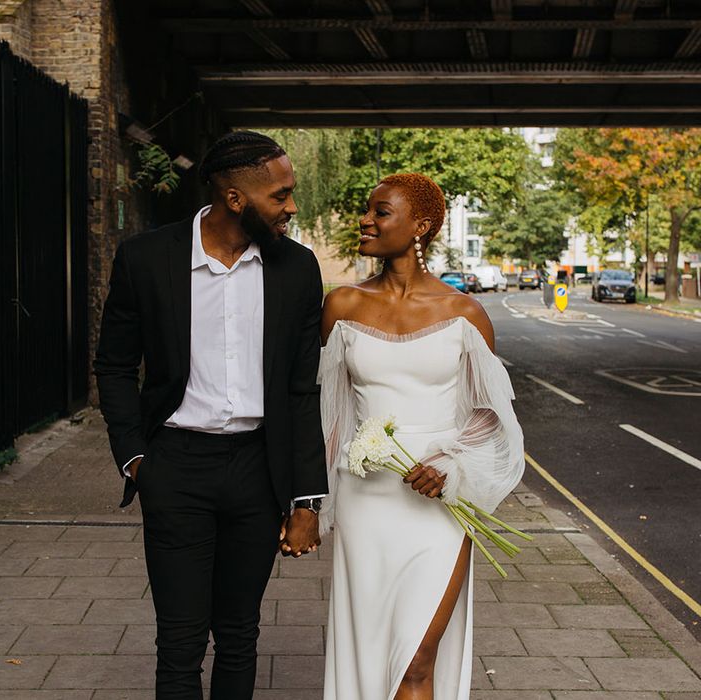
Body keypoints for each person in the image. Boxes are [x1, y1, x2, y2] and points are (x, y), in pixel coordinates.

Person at [94, 131, 327, 700]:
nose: (292, 206)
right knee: (179, 639)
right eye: (281, 195)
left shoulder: (296, 268)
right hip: (175, 466)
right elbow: (115, 366)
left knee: (239, 635)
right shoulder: (147, 258)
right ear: (235, 199)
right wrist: (135, 458)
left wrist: (306, 500)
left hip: (257, 470)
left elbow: (302, 390)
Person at [318, 173, 525, 700]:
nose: (365, 220)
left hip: (439, 505)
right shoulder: (341, 306)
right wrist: (310, 504)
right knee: (370, 648)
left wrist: (452, 465)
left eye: (380, 211)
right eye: (367, 211)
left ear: (421, 227)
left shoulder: (464, 313)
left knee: (416, 659)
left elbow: (491, 418)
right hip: (366, 501)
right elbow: (328, 412)